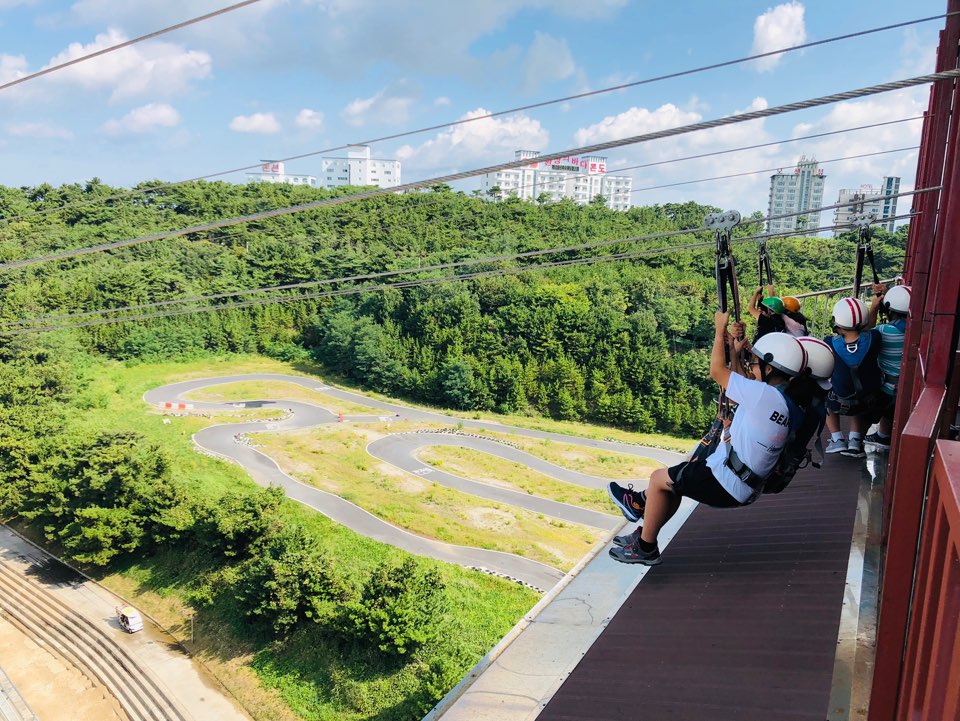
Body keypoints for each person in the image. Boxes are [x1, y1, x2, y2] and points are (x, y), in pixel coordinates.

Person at [606, 316, 807, 565]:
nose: (750, 367)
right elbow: (738, 385)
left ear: (770, 368)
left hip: (726, 482)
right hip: (743, 483)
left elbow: (717, 372)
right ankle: (643, 521)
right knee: (675, 480)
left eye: (754, 363)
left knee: (659, 479)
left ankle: (645, 547)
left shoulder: (764, 396)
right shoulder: (781, 401)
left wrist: (719, 329)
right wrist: (734, 348)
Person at [823, 296, 884, 458]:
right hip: (868, 401)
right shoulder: (875, 338)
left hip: (840, 400)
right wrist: (875, 305)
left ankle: (837, 439)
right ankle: (855, 440)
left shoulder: (829, 342)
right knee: (858, 394)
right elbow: (868, 331)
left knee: (825, 397)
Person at [864, 284, 911, 450]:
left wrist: (874, 307)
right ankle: (884, 435)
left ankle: (882, 436)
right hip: (911, 388)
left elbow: (866, 333)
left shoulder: (884, 331)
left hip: (887, 390)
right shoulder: (920, 330)